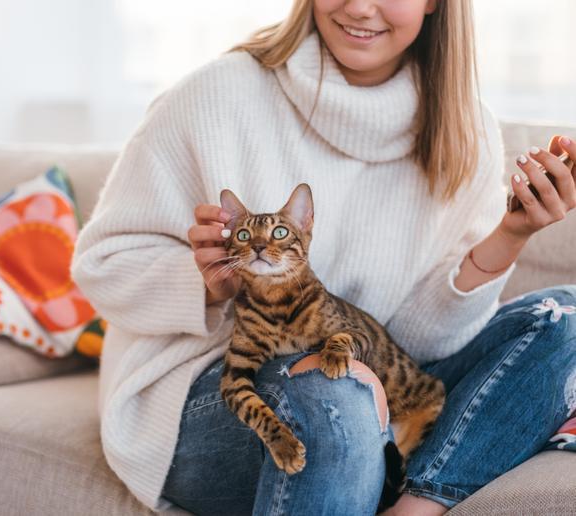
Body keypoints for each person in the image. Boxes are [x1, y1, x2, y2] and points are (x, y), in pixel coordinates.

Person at [70, 0, 576, 514]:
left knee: (567, 314)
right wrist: (209, 283)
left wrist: (512, 233)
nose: (359, 7)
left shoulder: (467, 131)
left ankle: (416, 504)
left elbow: (420, 343)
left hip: (376, 373)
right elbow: (101, 266)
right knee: (335, 392)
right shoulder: (214, 94)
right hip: (212, 396)